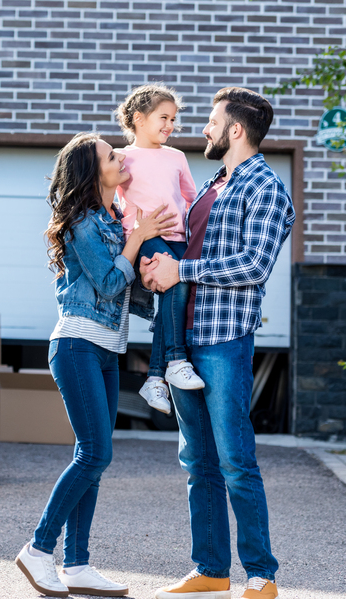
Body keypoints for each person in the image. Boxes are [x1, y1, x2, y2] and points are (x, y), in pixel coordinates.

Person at [140, 87, 294, 599]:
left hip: (224, 338)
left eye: (210, 121)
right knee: (197, 461)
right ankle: (210, 571)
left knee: (235, 459)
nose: (201, 129)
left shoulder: (267, 188)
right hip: (181, 338)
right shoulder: (211, 184)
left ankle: (261, 576)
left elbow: (253, 267)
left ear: (235, 129)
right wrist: (156, 268)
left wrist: (182, 270)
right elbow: (182, 250)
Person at [15, 132, 176, 598]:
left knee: (94, 457)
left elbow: (128, 292)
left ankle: (78, 564)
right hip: (77, 345)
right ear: (93, 172)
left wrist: (154, 272)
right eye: (111, 155)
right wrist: (139, 239)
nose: (121, 156)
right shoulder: (83, 222)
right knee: (94, 453)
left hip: (107, 348)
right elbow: (107, 285)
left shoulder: (114, 220)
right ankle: (39, 549)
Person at [114, 84, 205, 417]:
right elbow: (107, 194)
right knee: (176, 285)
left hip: (177, 236)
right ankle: (176, 360)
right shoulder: (122, 157)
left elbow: (190, 199)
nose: (170, 125)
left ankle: (155, 378)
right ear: (139, 118)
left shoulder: (177, 157)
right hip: (145, 237)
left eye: (173, 120)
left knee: (175, 295)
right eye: (163, 118)